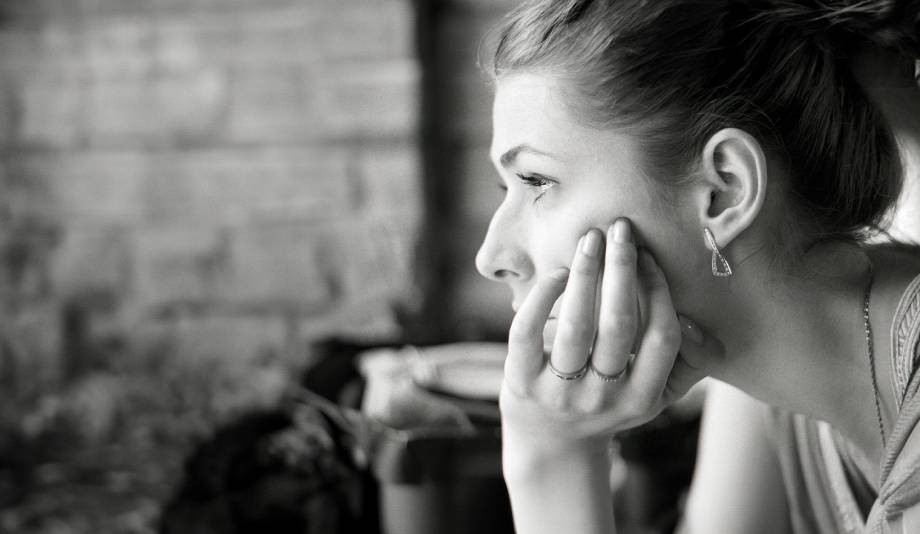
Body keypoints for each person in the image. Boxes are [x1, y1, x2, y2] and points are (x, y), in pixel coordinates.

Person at [472, 1, 920, 532]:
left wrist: (550, 462)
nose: (491, 258)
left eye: (537, 182)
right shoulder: (760, 367)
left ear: (724, 191)